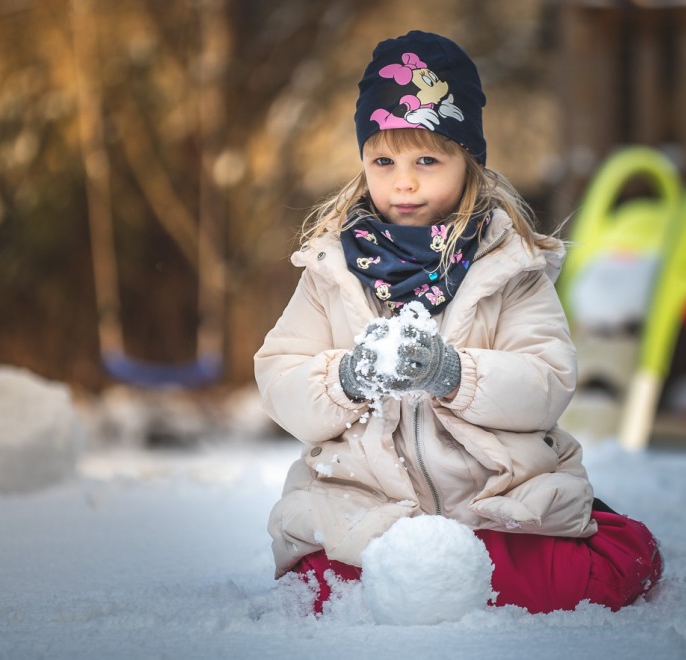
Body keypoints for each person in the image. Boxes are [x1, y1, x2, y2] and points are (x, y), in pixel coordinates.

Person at [254, 30, 663, 616]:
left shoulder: (509, 265)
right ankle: (412, 580)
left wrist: (452, 372)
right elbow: (280, 377)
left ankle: (460, 576)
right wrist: (349, 375)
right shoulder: (332, 269)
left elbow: (546, 383)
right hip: (371, 515)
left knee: (607, 572)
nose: (404, 181)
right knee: (319, 587)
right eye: (383, 160)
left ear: (467, 158)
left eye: (427, 158)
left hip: (491, 510)